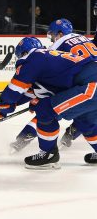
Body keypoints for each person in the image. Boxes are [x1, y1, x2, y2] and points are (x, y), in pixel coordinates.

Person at [0, 36, 97, 169]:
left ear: (22, 54)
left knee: (45, 110)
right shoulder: (47, 58)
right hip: (89, 84)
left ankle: (48, 154)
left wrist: (1, 107)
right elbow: (30, 92)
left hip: (90, 87)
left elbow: (13, 92)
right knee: (86, 122)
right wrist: (8, 106)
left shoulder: (32, 59)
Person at [10, 18, 97, 153]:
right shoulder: (83, 38)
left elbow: (41, 84)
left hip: (90, 85)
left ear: (60, 34)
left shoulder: (55, 48)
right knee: (86, 119)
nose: (51, 39)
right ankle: (73, 131)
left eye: (53, 35)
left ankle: (36, 145)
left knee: (48, 109)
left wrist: (31, 99)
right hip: (88, 82)